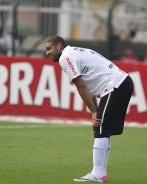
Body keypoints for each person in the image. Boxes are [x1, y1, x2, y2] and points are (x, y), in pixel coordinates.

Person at [45, 36, 134, 183]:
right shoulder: (74, 53)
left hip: (115, 86)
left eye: (49, 49)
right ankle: (100, 173)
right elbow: (87, 86)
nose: (47, 53)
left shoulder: (66, 57)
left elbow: (81, 86)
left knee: (100, 127)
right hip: (120, 84)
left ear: (59, 46)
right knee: (101, 128)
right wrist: (95, 110)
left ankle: (98, 174)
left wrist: (94, 112)